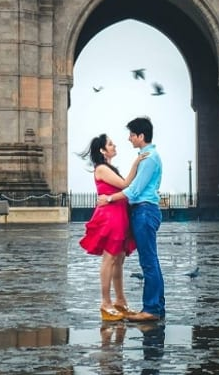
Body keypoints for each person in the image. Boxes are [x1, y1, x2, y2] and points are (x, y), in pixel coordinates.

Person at [97, 117, 164, 322]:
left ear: (141, 136)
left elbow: (134, 191)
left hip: (144, 211)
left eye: (132, 135)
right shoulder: (146, 156)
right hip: (144, 211)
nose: (128, 138)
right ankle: (155, 306)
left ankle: (152, 309)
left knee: (149, 262)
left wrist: (108, 198)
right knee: (150, 261)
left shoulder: (149, 158)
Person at [79, 133, 147, 321]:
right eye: (110, 144)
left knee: (119, 260)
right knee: (109, 259)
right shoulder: (101, 168)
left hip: (119, 215)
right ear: (102, 150)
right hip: (110, 217)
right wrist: (137, 162)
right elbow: (126, 185)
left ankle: (120, 300)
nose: (114, 145)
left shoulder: (109, 168)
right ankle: (105, 302)